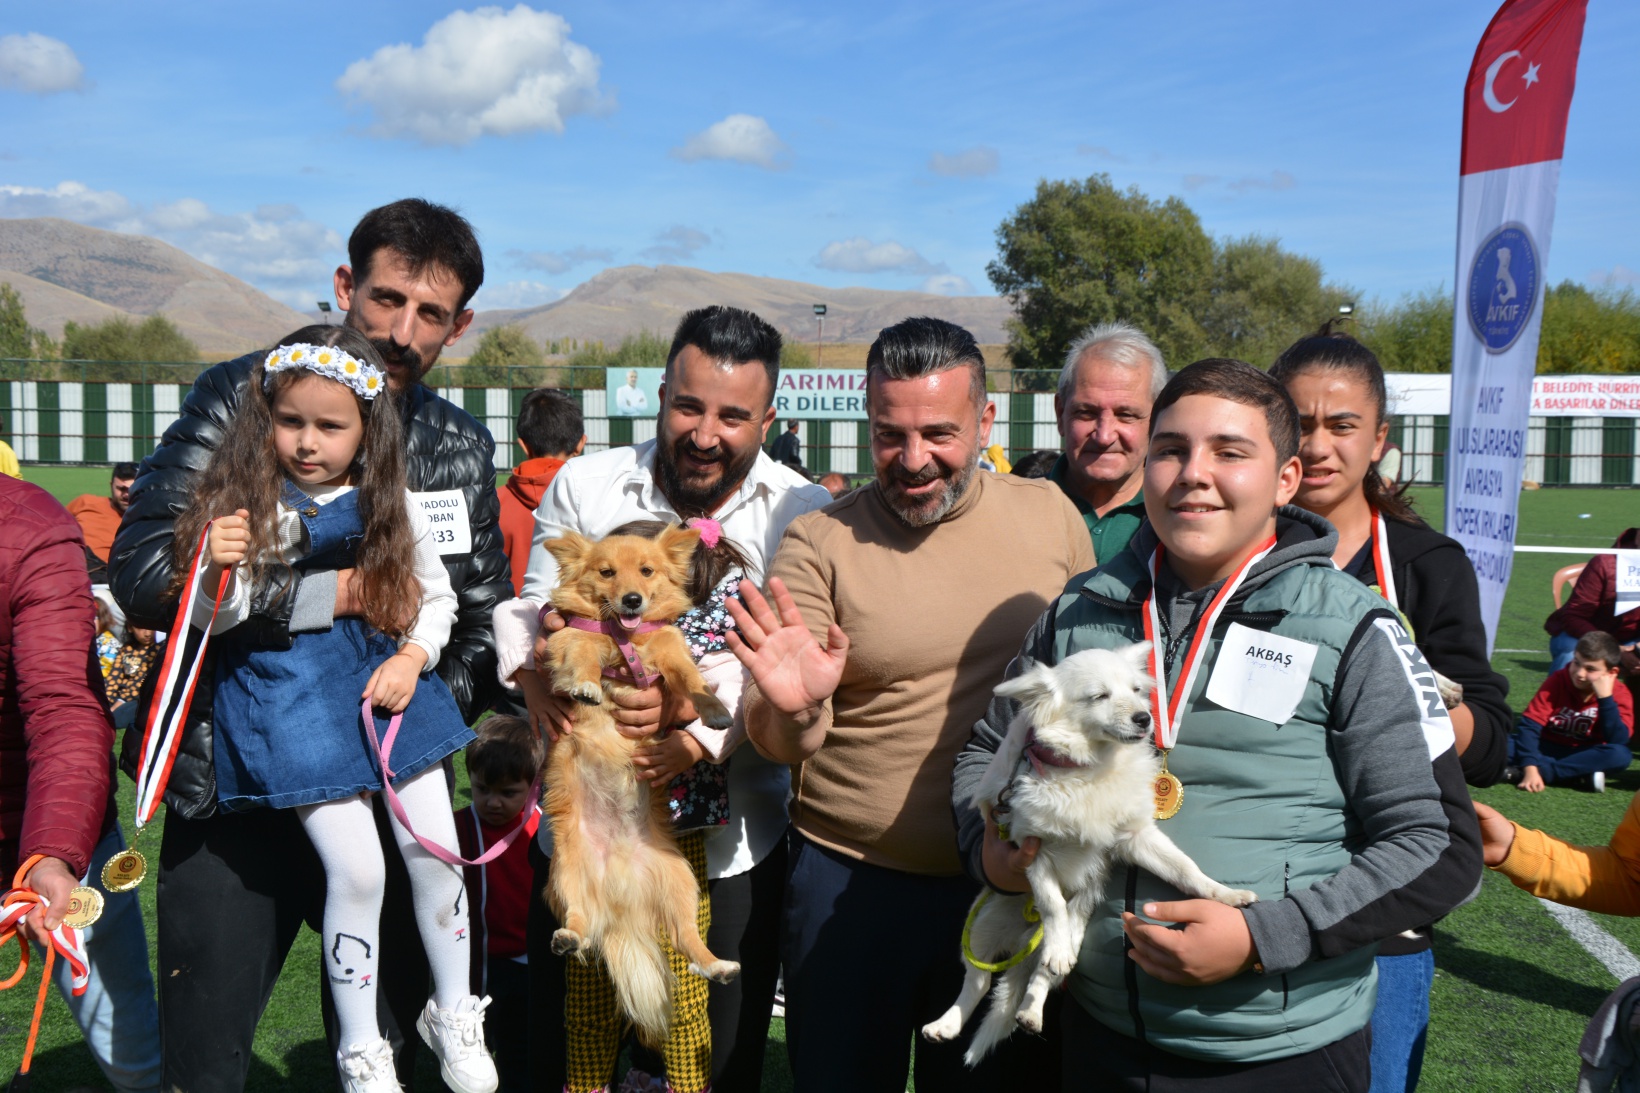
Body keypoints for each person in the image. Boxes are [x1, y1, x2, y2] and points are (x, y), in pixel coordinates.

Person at [954, 358, 1480, 1092]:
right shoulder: (1078, 612)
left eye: (1230, 452)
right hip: (1099, 1034)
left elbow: (1440, 844)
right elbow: (987, 748)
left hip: (1277, 1050)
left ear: (1286, 479)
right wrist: (989, 850)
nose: (1193, 473)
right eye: (1170, 449)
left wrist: (1261, 936)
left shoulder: (1355, 627)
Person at [108, 197, 512, 1092]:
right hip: (232, 789)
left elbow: (478, 616)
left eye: (432, 313)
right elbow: (142, 573)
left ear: (461, 323)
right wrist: (329, 597)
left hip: (386, 772)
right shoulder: (242, 397)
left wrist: (403, 695)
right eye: (386, 298)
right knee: (205, 1064)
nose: (402, 330)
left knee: (388, 1060)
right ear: (344, 286)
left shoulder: (455, 444)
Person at [726, 316, 1095, 1092]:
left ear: (986, 421)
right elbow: (776, 731)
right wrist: (793, 710)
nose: (913, 459)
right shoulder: (820, 540)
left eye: (938, 432)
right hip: (851, 885)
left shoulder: (1052, 517)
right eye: (889, 435)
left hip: (1005, 880)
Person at [501, 305, 831, 1092]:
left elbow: (796, 658)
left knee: (710, 1063)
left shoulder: (804, 509)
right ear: (659, 394)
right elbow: (538, 609)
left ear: (769, 416)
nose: (706, 432)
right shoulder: (585, 482)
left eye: (733, 415)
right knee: (574, 1045)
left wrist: (696, 728)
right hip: (590, 828)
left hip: (731, 840)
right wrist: (539, 671)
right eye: (689, 405)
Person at [178, 327, 496, 1091]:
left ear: (368, 428)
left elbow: (437, 596)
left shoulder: (396, 504)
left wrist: (414, 655)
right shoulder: (243, 511)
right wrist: (215, 567)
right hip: (288, 695)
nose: (308, 442)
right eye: (292, 421)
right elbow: (212, 620)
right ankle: (361, 1048)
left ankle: (453, 1008)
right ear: (266, 418)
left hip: (388, 680)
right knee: (355, 871)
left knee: (435, 849)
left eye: (330, 425)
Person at [1270, 331, 1512, 1091]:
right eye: (1299, 423)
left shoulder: (1424, 564)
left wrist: (1416, 694)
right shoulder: (1224, 553)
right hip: (1254, 903)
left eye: (1341, 426)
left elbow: (1493, 745)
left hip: (1383, 924)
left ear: (1380, 440)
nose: (1317, 445)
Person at [1, 475, 161, 1093]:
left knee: (131, 1049)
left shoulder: (30, 526)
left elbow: (62, 707)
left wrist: (50, 852)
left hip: (47, 824)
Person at [454, 715, 545, 1093]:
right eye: (481, 789)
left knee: (521, 1053)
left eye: (508, 792)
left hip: (529, 962)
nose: (492, 802)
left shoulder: (545, 827)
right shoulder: (455, 827)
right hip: (474, 965)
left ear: (533, 787)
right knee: (466, 1053)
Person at [1049, 322, 1166, 562]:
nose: (1104, 436)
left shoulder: (1182, 517)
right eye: (1086, 413)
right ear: (1061, 413)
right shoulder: (1014, 514)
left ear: (1157, 419)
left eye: (1126, 415)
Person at [1503, 631, 1633, 793]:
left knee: (1620, 755)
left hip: (1583, 754)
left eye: (1590, 669)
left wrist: (1605, 699)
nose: (1579, 673)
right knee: (1497, 742)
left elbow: (1618, 740)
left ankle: (1528, 773)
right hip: (1545, 746)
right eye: (1576, 662)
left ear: (1611, 673)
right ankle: (1577, 777)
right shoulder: (1558, 680)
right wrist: (1530, 767)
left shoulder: (1620, 694)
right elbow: (1530, 727)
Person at [499, 389, 585, 595]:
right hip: (576, 624)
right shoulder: (597, 501)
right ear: (581, 443)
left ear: (523, 445)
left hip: (507, 621)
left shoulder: (493, 503)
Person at [1544, 528, 1640, 674]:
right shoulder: (1605, 563)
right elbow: (1573, 616)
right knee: (1575, 659)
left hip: (1632, 641)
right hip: (1582, 634)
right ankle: (1556, 697)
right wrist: (1612, 648)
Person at [67, 462, 138, 566]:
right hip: (75, 567)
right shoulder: (86, 502)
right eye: (121, 489)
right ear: (111, 485)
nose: (126, 495)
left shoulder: (147, 518)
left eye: (132, 489)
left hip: (110, 575)